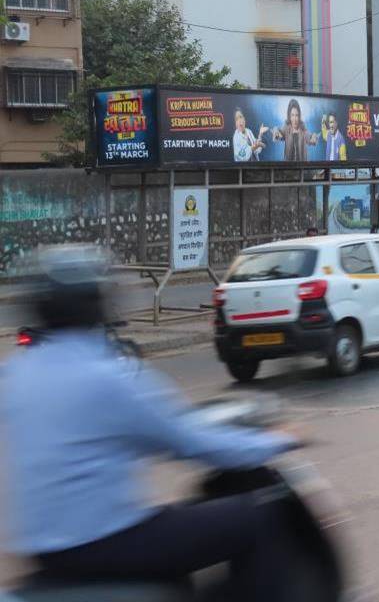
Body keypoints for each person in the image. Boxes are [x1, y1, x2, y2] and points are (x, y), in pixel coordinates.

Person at [0, 245, 301, 602]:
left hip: (45, 551)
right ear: (97, 303)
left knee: (184, 518)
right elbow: (193, 444)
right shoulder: (108, 377)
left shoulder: (16, 373)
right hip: (105, 542)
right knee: (257, 520)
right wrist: (276, 441)